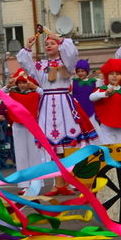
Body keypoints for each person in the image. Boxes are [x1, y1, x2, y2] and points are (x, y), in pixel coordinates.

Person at [17, 30, 97, 196]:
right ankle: (59, 183)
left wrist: (58, 38)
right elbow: (25, 64)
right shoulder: (40, 65)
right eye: (46, 43)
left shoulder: (66, 62)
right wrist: (28, 47)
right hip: (47, 106)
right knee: (53, 148)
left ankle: (68, 182)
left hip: (64, 105)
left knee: (68, 146)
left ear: (58, 46)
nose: (49, 45)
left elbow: (72, 51)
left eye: (52, 43)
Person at [3, 69, 43, 194]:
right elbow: (0, 94)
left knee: (34, 153)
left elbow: (45, 94)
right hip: (18, 126)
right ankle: (24, 184)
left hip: (33, 125)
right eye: (19, 83)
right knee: (20, 154)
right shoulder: (13, 94)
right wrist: (8, 85)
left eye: (24, 83)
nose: (21, 85)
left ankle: (36, 181)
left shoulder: (36, 94)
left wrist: (35, 87)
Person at [90, 59, 121, 144]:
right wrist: (105, 94)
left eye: (117, 74)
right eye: (111, 74)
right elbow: (91, 97)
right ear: (107, 76)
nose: (114, 76)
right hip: (107, 128)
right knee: (109, 153)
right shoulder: (102, 89)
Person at [72, 59, 99, 129]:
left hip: (91, 110)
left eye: (83, 71)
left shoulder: (94, 82)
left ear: (87, 71)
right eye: (78, 71)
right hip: (78, 111)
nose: (80, 73)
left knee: (93, 128)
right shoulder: (73, 82)